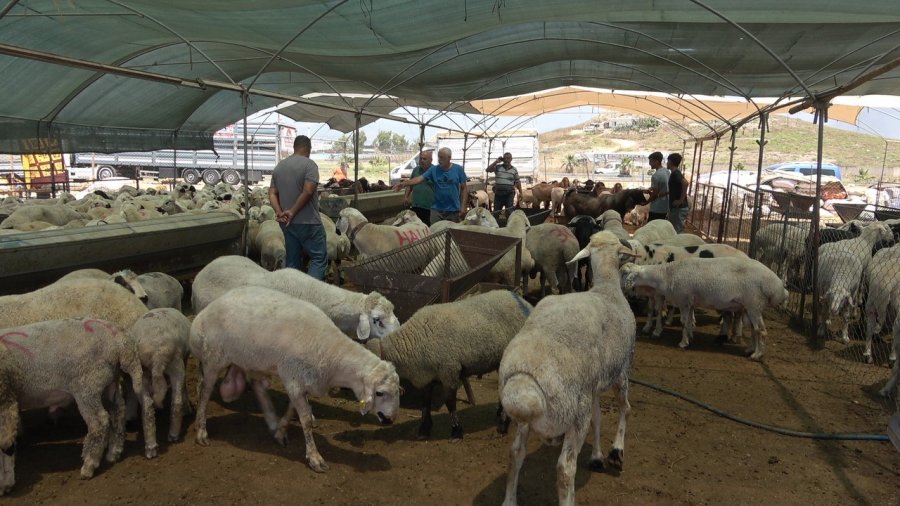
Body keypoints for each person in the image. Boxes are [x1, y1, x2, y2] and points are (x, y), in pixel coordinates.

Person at [268, 135, 328, 279]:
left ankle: (292, 291)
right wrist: (292, 211)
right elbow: (308, 191)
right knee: (318, 258)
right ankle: (311, 291)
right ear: (308, 148)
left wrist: (279, 212)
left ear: (294, 147)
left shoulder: (279, 167)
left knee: (293, 260)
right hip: (308, 223)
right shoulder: (310, 165)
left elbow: (272, 193)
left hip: (287, 223)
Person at [393, 147, 467, 224]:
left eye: (442, 158)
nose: (439, 160)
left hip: (453, 210)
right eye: (439, 157)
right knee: (434, 230)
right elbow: (418, 179)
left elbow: (464, 188)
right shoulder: (434, 170)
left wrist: (463, 206)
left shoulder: (458, 169)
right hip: (436, 210)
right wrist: (404, 184)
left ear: (449, 158)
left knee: (451, 230)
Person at [403, 149, 435, 225]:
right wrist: (406, 197)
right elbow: (410, 185)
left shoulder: (435, 171)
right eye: (421, 158)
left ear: (431, 160)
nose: (422, 160)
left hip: (429, 208)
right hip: (416, 206)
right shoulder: (416, 170)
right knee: (416, 227)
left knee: (428, 227)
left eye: (424, 159)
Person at [666, 152, 690, 233]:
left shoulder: (676, 173)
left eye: (668, 161)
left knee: (677, 231)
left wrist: (680, 200)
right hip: (676, 208)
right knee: (675, 229)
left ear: (671, 162)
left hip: (679, 208)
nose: (667, 163)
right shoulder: (675, 173)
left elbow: (685, 183)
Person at [646, 151, 669, 221]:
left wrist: (646, 202)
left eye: (651, 161)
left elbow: (654, 195)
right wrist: (651, 188)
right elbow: (664, 186)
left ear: (656, 161)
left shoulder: (656, 176)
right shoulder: (667, 171)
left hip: (656, 208)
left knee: (652, 226)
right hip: (666, 207)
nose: (649, 163)